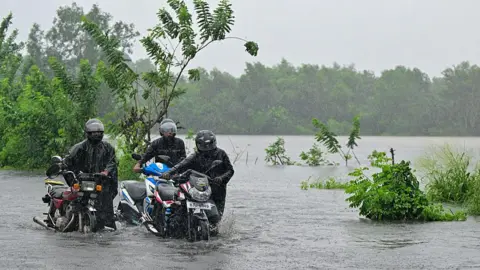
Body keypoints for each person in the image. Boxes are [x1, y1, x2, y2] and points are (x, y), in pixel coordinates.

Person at [161, 130, 234, 235]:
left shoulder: (221, 154)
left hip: (217, 189)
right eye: (204, 147)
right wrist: (168, 172)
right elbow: (182, 164)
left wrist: (221, 178)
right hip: (198, 186)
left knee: (216, 219)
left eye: (209, 146)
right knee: (182, 205)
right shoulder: (195, 155)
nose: (207, 150)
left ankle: (213, 237)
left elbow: (230, 170)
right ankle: (180, 227)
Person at [62, 118, 118, 230]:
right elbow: (67, 163)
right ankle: (68, 220)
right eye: (94, 133)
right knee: (77, 201)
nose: (96, 134)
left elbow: (112, 162)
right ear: (88, 133)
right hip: (83, 180)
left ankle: (108, 227)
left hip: (101, 182)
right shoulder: (79, 148)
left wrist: (106, 172)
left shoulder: (108, 148)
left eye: (99, 133)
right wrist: (73, 178)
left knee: (107, 209)